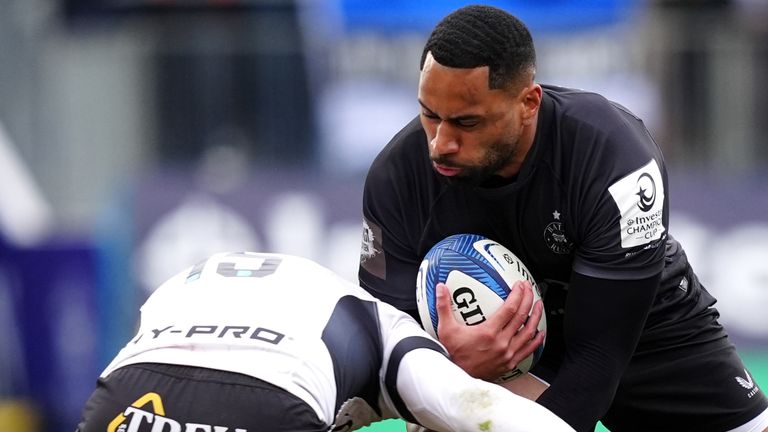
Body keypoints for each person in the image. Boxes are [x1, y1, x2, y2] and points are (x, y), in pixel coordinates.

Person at [358, 5, 768, 432]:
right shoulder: (396, 177)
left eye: (467, 122)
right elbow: (387, 348)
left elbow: (598, 359)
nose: (440, 143)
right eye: (429, 114)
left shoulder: (614, 158)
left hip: (643, 329)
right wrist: (445, 364)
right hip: (485, 359)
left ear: (528, 103)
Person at [76, 251, 574, 432]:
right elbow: (476, 405)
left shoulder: (328, 300)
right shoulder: (389, 333)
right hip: (267, 403)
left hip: (124, 395)